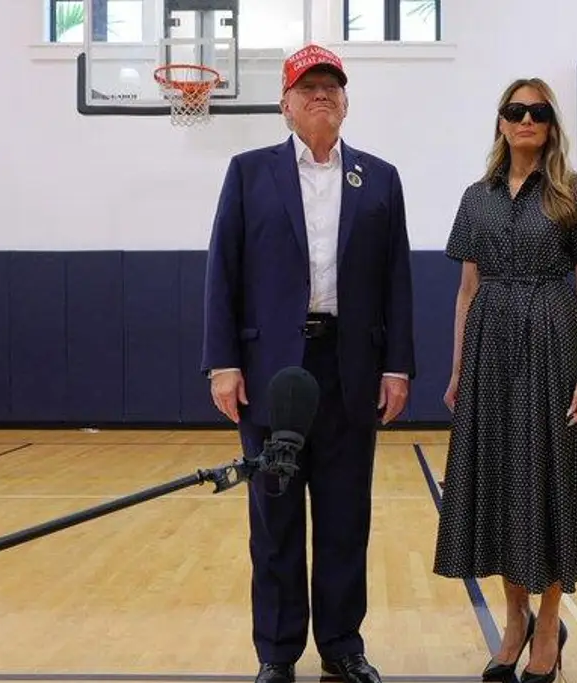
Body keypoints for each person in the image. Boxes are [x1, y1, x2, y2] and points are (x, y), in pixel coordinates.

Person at [201, 43, 415, 683]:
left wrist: (397, 366)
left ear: (346, 103)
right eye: (308, 86)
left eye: (332, 86)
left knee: (347, 517)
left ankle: (343, 647)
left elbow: (396, 279)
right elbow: (223, 269)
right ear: (286, 104)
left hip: (351, 367)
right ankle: (277, 653)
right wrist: (222, 363)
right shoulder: (248, 173)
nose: (322, 93)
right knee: (274, 522)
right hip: (272, 372)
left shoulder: (379, 178)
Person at [432, 77, 577, 683]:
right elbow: (467, 289)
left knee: (551, 481)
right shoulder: (476, 197)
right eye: (515, 110)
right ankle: (513, 620)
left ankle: (548, 624)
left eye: (537, 111)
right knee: (499, 483)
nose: (525, 119)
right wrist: (458, 368)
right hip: (491, 346)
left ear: (550, 123)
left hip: (554, 341)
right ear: (500, 122)